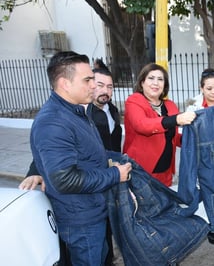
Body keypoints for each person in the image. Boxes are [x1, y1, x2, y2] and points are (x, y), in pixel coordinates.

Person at [30, 51, 132, 266]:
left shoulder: (75, 112)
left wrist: (117, 157)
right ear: (65, 84)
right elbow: (65, 179)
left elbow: (89, 154)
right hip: (81, 220)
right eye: (88, 80)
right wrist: (115, 174)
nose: (94, 85)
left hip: (93, 211)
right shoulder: (54, 122)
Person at [123, 63, 196, 187]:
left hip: (166, 171)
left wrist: (191, 139)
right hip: (141, 171)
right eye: (151, 78)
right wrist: (176, 119)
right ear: (142, 82)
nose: (156, 83)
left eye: (160, 79)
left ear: (165, 85)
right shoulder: (134, 101)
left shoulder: (170, 105)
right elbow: (143, 125)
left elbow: (172, 136)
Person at [186, 68, 214, 244]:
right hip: (203, 156)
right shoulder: (194, 107)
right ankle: (211, 226)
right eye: (209, 88)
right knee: (207, 191)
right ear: (201, 88)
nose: (213, 92)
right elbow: (187, 133)